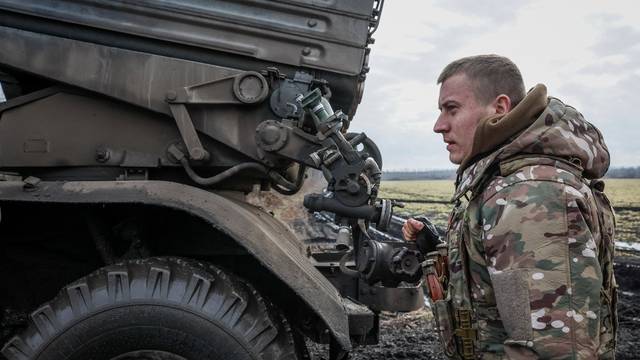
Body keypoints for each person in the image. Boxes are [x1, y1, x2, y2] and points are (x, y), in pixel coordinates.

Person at [403, 55, 617, 359]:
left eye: (452, 109)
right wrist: (439, 250)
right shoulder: (508, 182)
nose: (439, 126)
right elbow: (498, 288)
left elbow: (552, 350)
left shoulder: (531, 195)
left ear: (499, 108)